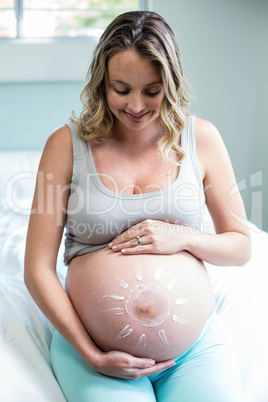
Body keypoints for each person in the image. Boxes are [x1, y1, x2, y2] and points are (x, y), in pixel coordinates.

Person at [24, 10, 251, 402]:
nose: (134, 105)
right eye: (120, 88)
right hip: (94, 347)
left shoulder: (202, 139)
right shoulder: (65, 145)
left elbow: (240, 245)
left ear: (171, 83)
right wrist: (92, 354)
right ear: (101, 83)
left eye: (151, 90)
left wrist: (180, 237)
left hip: (193, 348)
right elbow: (37, 269)